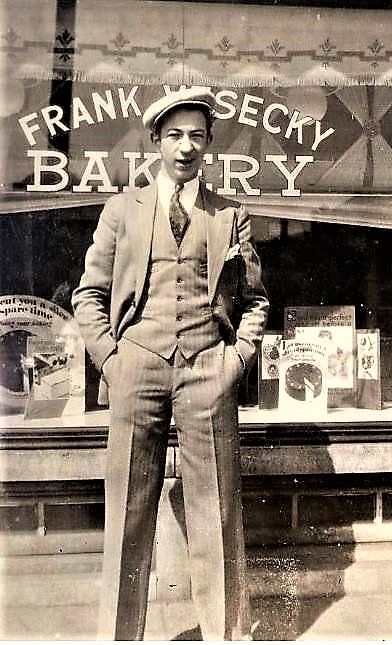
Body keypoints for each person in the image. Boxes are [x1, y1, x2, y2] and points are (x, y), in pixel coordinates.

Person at [72, 87, 269, 641]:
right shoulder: (121, 211)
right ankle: (120, 636)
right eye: (175, 135)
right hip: (137, 369)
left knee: (218, 514)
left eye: (198, 137)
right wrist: (112, 360)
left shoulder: (230, 215)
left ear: (209, 145)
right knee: (130, 513)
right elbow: (89, 295)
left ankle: (226, 635)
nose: (186, 147)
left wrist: (235, 360)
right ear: (155, 140)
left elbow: (255, 301)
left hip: (209, 369)